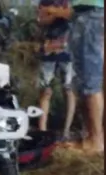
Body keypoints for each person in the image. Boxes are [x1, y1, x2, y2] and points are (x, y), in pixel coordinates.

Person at [37, 0, 76, 140]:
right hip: (49, 48)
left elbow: (71, 15)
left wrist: (51, 11)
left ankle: (66, 131)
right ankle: (42, 131)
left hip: (68, 49)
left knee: (69, 90)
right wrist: (59, 12)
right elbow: (41, 19)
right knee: (45, 90)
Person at [69, 0, 104, 152]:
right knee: (83, 80)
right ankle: (89, 137)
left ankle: (96, 141)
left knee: (91, 80)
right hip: (82, 13)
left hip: (92, 12)